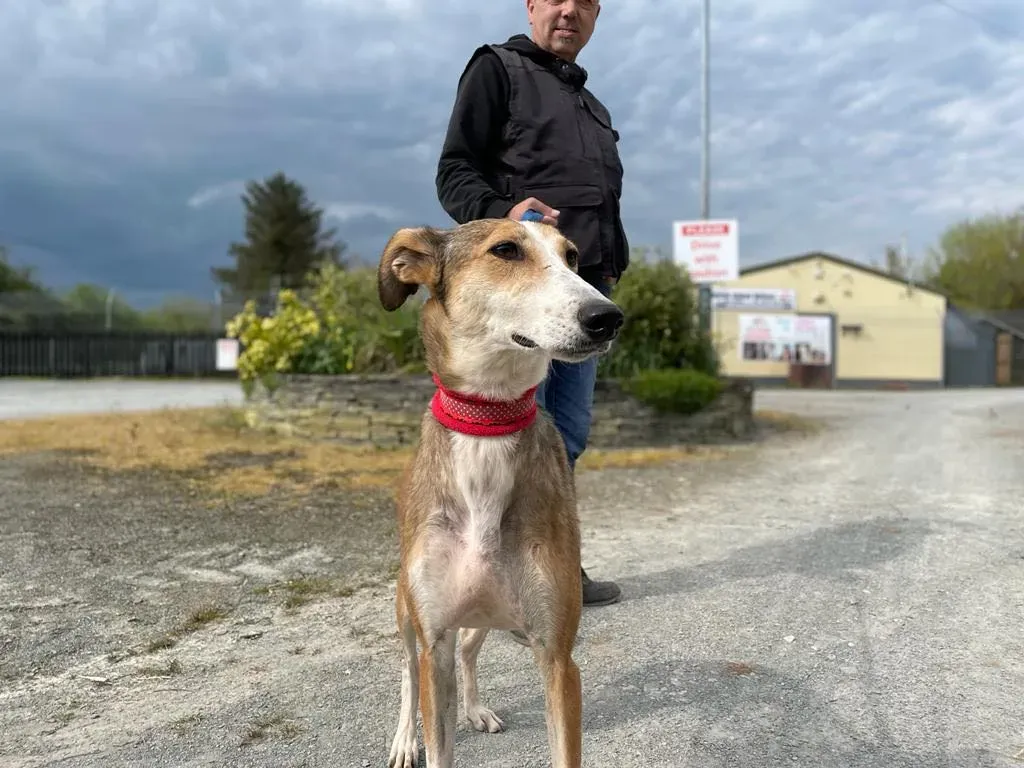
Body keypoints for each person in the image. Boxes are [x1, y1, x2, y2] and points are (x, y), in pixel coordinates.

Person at [435, 0, 629, 607]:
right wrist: (503, 213)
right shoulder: (497, 69)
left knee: (567, 433)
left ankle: (554, 563)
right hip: (525, 296)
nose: (570, 11)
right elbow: (454, 170)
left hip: (583, 287)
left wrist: (608, 267)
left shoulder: (591, 105)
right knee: (517, 434)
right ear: (532, 7)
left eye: (585, 2)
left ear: (596, 14)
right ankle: (492, 569)